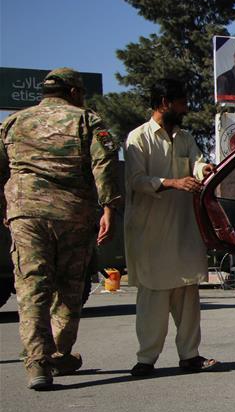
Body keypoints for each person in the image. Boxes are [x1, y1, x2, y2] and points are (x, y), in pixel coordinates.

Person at [0, 67, 120, 390]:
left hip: (26, 214)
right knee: (69, 288)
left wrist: (6, 207)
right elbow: (104, 161)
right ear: (74, 92)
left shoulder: (12, 122)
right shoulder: (86, 120)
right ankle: (58, 351)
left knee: (31, 288)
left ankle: (39, 361)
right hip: (72, 216)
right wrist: (109, 206)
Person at [124, 78, 219, 376]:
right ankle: (146, 359)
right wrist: (172, 183)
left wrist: (203, 169)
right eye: (181, 102)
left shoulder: (186, 137)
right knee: (153, 297)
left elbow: (196, 163)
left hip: (183, 228)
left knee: (187, 295)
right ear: (165, 103)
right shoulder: (137, 138)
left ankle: (190, 356)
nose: (186, 108)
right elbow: (137, 181)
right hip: (151, 230)